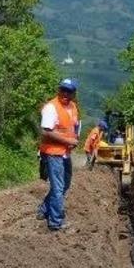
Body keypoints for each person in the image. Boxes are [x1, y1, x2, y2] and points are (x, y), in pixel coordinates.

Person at [37, 78, 80, 231]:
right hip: (53, 153)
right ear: (59, 90)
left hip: (65, 153)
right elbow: (47, 132)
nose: (65, 94)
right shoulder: (51, 107)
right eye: (63, 90)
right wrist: (68, 140)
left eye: (69, 91)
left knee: (65, 184)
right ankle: (55, 222)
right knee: (58, 188)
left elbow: (74, 125)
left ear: (74, 93)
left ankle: (43, 209)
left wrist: (75, 138)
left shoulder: (73, 106)